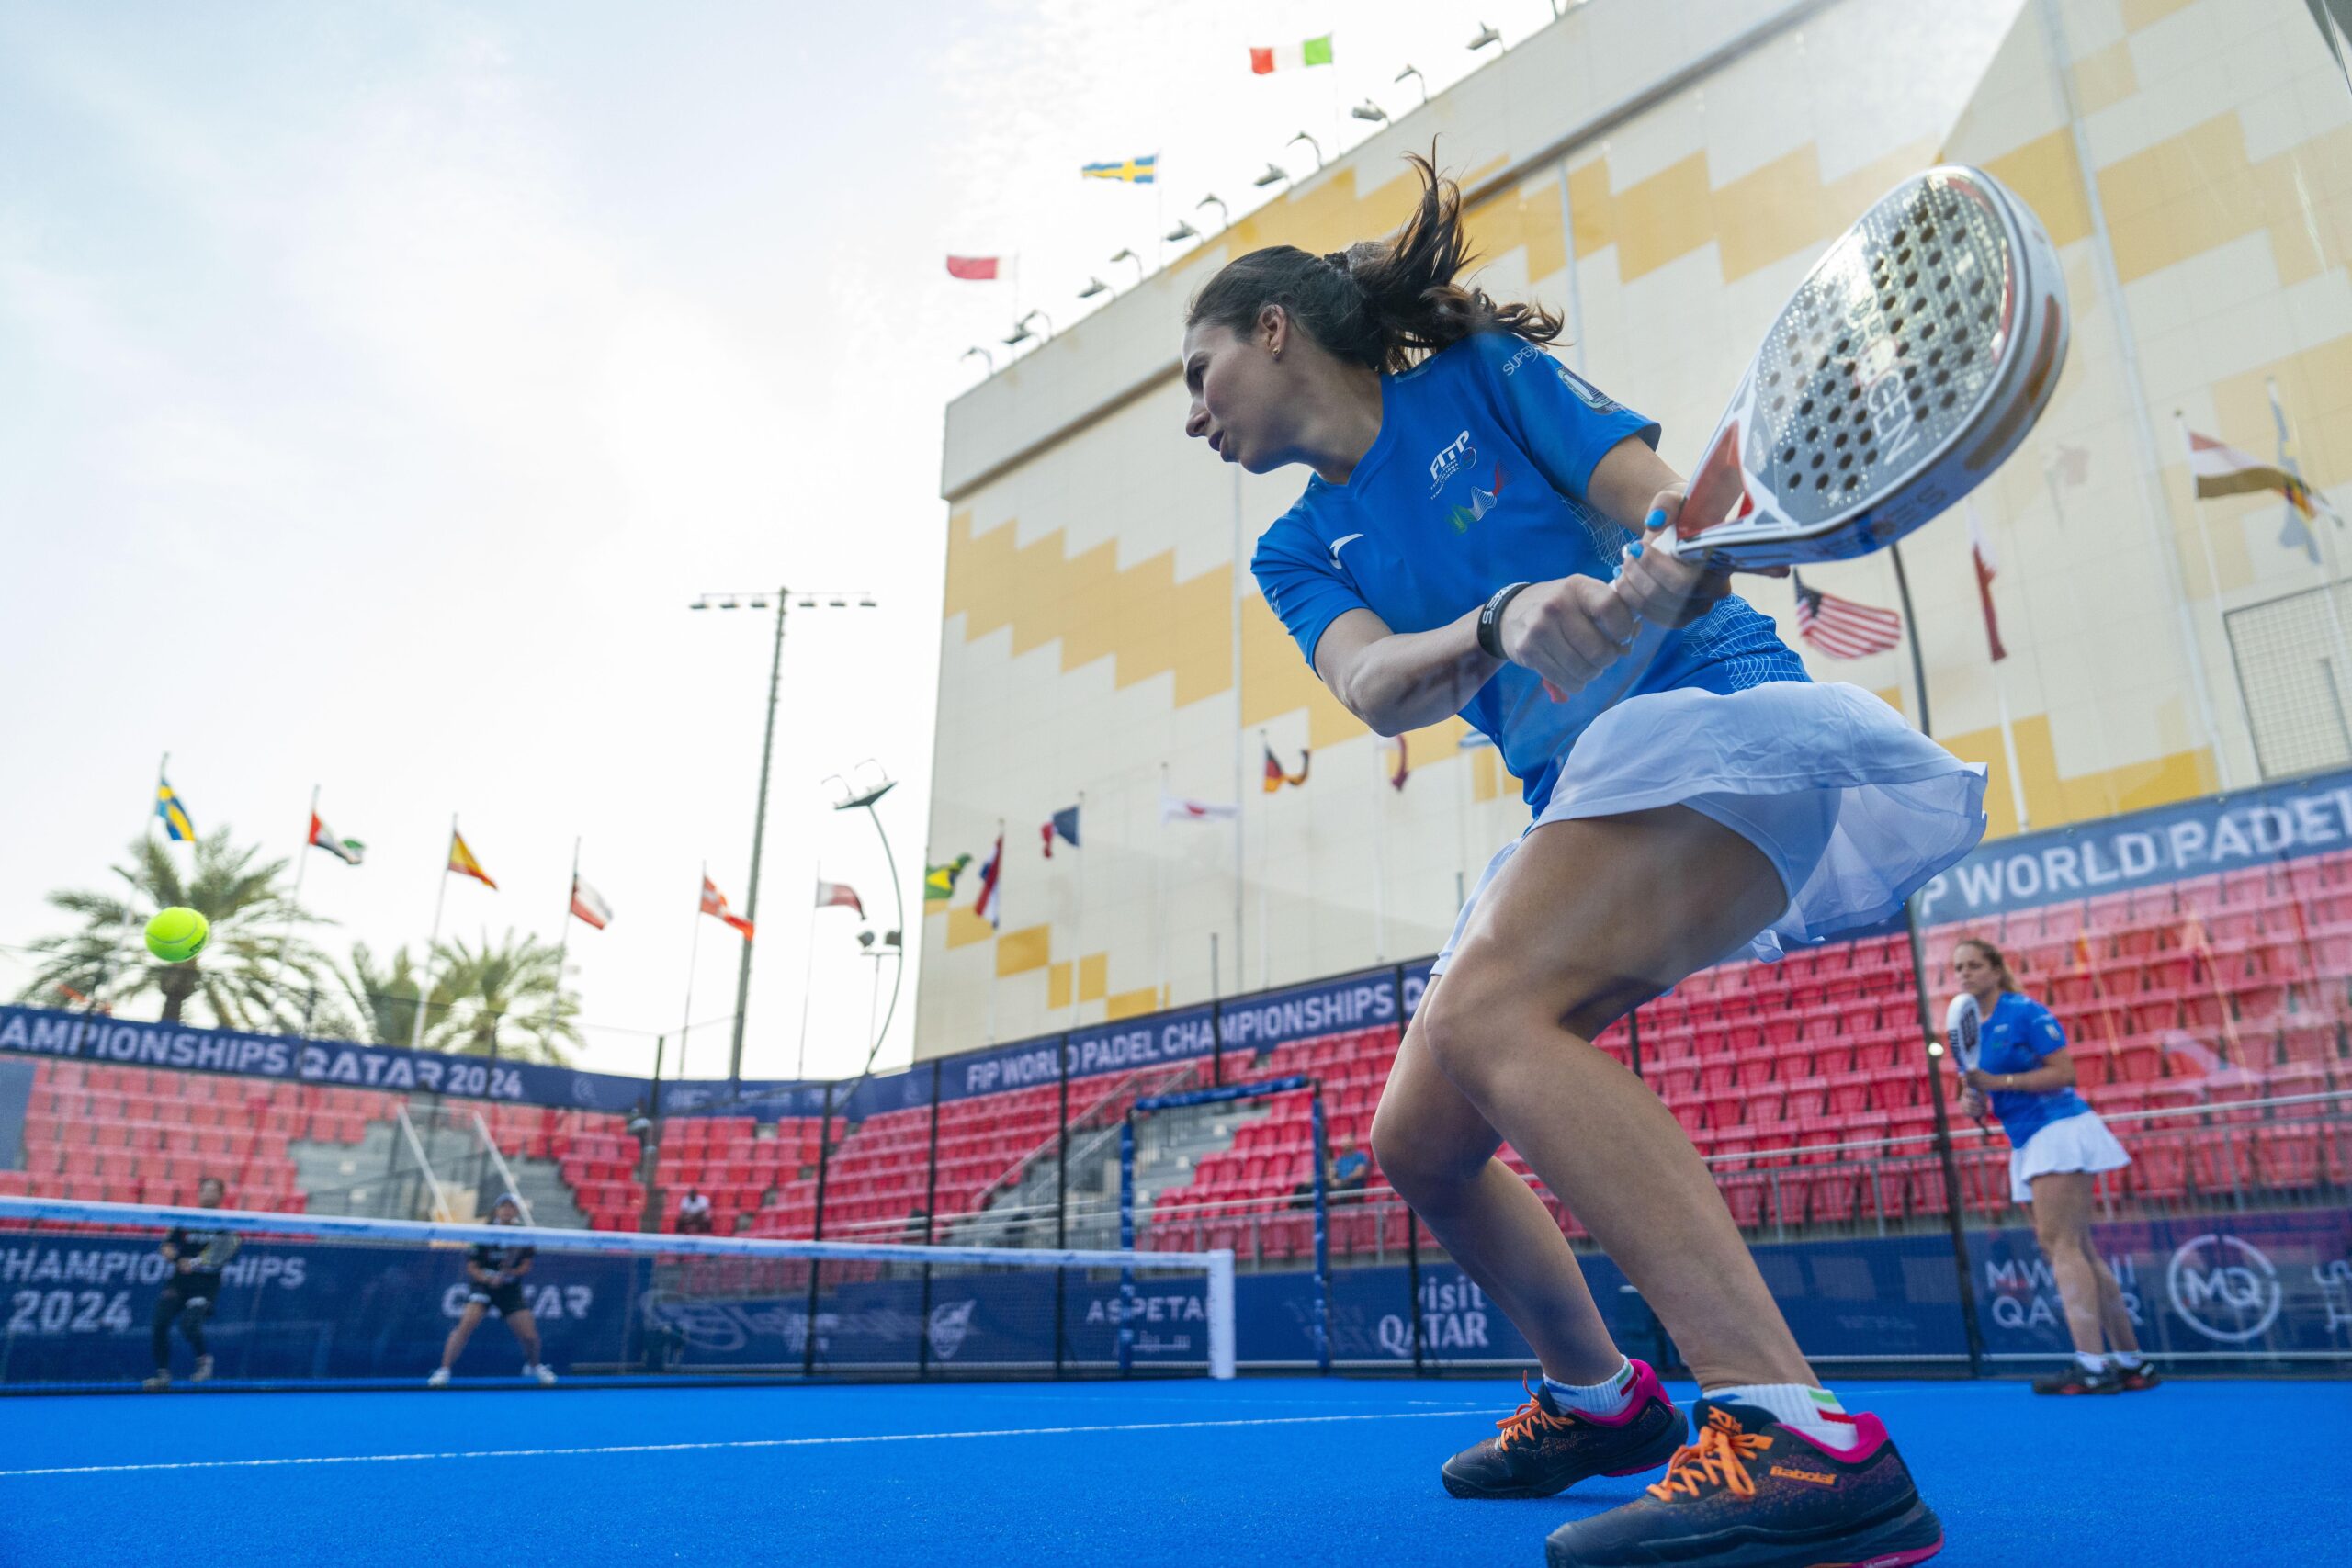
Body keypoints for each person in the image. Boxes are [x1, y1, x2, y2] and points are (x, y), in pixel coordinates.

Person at [1183, 152, 1985, 1566]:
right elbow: (1372, 685)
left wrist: (1675, 555)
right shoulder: (1298, 548)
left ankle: (1799, 1433)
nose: (1195, 413)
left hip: (1719, 722)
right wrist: (1502, 616)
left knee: (1492, 1012)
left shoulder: (1487, 380)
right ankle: (1602, 1396)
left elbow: (1677, 509)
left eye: (1199, 373)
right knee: (1418, 1142)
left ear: (1273, 327)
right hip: (1584, 794)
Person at [1951, 937, 2155, 1396]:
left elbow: (2065, 1073)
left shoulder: (2025, 1011)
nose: (1964, 974)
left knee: (2061, 1246)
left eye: (1974, 965)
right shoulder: (1971, 1029)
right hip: (2029, 1137)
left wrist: (1998, 1081)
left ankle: (2093, 1366)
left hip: (2058, 1129)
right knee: (2077, 1248)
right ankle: (2131, 1362)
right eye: (1958, 967)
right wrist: (1973, 1100)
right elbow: (1977, 1097)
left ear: (1996, 970)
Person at [427, 1194, 558, 1388]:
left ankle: (533, 1367)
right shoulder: (483, 1232)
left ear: (516, 1211)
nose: (507, 1210)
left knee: (530, 1336)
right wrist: (488, 1278)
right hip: (483, 1287)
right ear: (497, 1210)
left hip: (510, 1289)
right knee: (465, 1326)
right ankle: (444, 1371)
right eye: (503, 1206)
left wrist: (509, 1273)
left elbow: (526, 1265)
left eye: (511, 1207)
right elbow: (472, 1266)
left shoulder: (524, 1235)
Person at [142, 1176, 238, 1391]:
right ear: (199, 1193)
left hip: (205, 1286)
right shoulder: (186, 1219)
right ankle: (162, 1375)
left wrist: (195, 1263)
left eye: (213, 1191)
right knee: (160, 1322)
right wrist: (178, 1259)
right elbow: (166, 1247)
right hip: (178, 1283)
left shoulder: (226, 1224)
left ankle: (203, 1361)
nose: (208, 1194)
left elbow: (223, 1253)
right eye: (205, 1190)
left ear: (221, 1196)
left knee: (189, 1324)